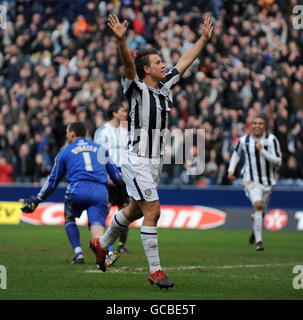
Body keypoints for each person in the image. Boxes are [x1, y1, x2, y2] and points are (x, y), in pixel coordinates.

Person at [89, 14, 213, 289]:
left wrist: (203, 39)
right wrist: (121, 41)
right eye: (158, 62)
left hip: (154, 161)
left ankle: (101, 243)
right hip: (137, 160)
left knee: (134, 210)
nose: (164, 65)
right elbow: (127, 66)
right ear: (146, 69)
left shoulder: (165, 85)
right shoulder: (136, 87)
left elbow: (184, 62)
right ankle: (155, 271)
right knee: (153, 212)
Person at [21, 121, 125, 266]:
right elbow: (116, 175)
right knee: (97, 224)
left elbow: (52, 182)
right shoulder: (101, 149)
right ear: (86, 134)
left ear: (72, 134)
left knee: (69, 218)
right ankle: (108, 253)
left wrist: (37, 199)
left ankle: (78, 254)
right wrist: (124, 190)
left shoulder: (65, 152)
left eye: (67, 133)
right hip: (100, 191)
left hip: (78, 189)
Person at [227, 115, 282, 251]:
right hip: (251, 179)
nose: (257, 125)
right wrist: (231, 169)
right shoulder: (244, 140)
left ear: (264, 126)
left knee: (260, 211)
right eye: (255, 123)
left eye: (260, 123)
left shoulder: (271, 140)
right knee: (257, 205)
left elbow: (278, 161)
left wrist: (262, 150)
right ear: (251, 125)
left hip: (269, 182)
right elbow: (236, 154)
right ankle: (259, 241)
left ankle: (255, 230)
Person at [94, 102, 131, 254]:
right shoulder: (102, 131)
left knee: (125, 209)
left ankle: (121, 245)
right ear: (114, 113)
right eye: (122, 110)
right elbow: (98, 154)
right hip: (109, 171)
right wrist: (105, 173)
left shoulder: (125, 132)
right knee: (106, 207)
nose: (125, 113)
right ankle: (102, 243)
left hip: (124, 171)